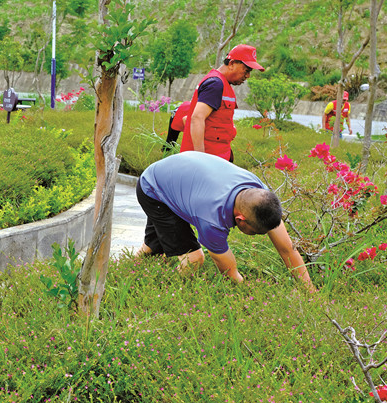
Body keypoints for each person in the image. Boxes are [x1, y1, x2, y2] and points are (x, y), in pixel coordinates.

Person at [134, 151, 315, 291]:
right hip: (153, 188)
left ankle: (132, 267)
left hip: (178, 175)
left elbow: (287, 248)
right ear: (240, 219)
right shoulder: (212, 220)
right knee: (194, 258)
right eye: (255, 232)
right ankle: (172, 294)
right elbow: (230, 275)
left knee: (153, 249)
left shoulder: (260, 196)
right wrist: (250, 299)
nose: (255, 237)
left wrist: (310, 290)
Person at [179, 44, 265, 163]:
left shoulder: (222, 84)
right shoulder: (215, 84)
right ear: (232, 64)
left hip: (218, 159)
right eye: (247, 70)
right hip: (207, 162)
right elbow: (197, 118)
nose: (248, 76)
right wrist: (200, 161)